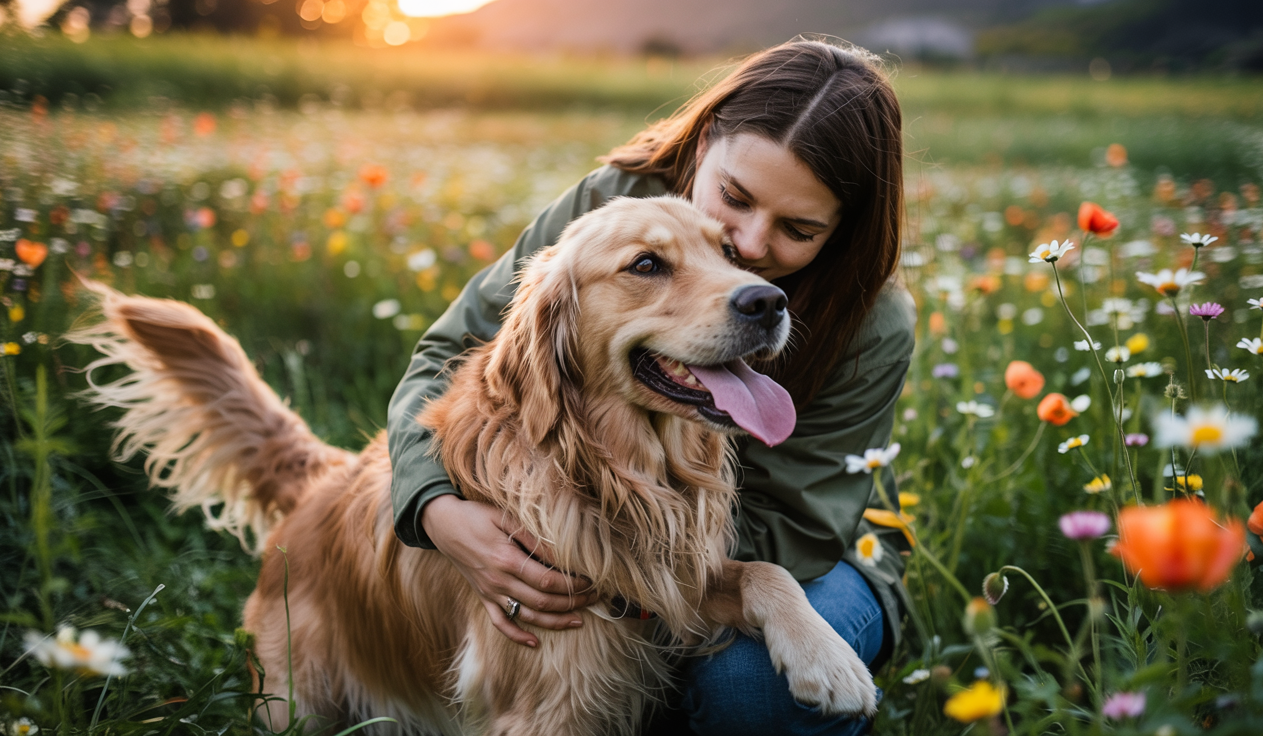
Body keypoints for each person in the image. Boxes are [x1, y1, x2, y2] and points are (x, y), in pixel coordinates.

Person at [387, 38, 915, 736]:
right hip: (634, 530)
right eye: (734, 198)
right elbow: (447, 353)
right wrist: (438, 512)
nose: (751, 248)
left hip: (809, 551)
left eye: (798, 228)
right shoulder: (607, 209)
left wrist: (599, 554)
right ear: (702, 149)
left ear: (840, 231)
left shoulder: (873, 323)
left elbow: (799, 529)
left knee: (749, 689)